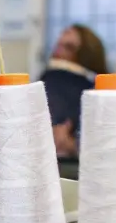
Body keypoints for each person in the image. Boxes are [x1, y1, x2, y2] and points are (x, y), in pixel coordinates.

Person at [42, 23, 108, 160]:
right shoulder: (50, 79)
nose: (60, 54)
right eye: (58, 46)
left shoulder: (100, 92)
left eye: (69, 48)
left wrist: (73, 145)